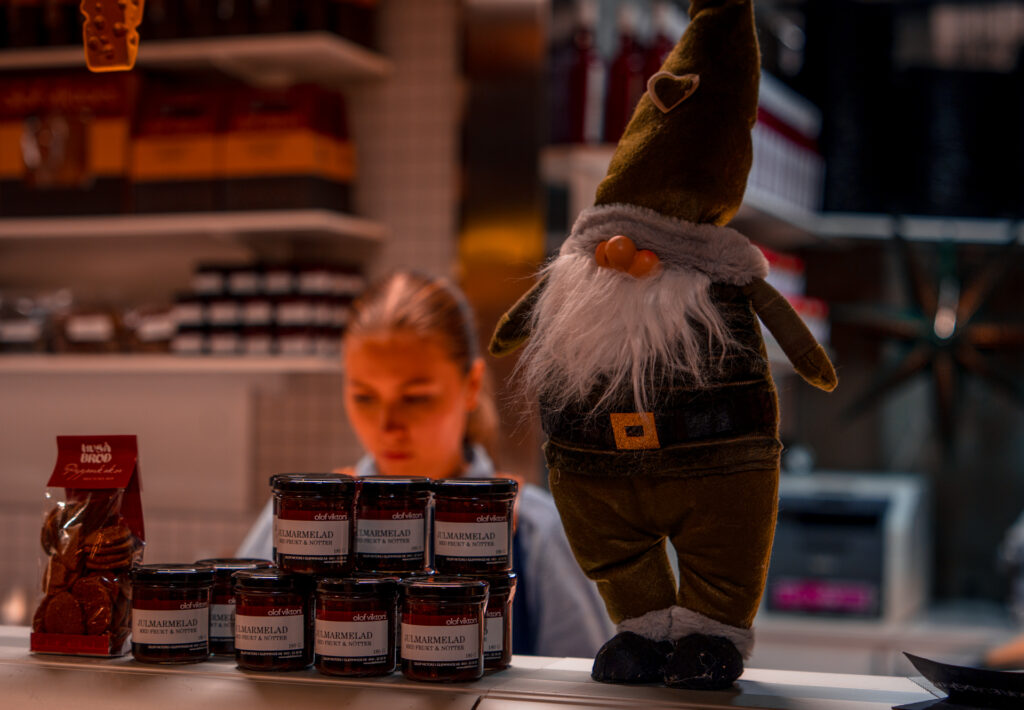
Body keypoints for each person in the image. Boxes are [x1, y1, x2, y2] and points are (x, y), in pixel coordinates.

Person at [237, 271, 613, 658]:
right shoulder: (301, 521)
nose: (388, 426)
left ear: (470, 386)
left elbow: (586, 691)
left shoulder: (536, 532)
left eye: (415, 398)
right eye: (365, 397)